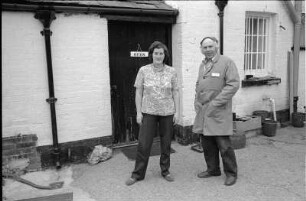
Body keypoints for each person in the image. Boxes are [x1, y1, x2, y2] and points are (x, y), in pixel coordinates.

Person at [125, 41, 179, 186]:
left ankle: (165, 170)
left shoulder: (172, 71)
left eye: (161, 53)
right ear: (151, 55)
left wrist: (177, 111)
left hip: (167, 111)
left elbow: (175, 91)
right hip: (148, 111)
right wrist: (138, 113)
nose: (158, 56)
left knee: (166, 143)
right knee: (144, 144)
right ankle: (137, 174)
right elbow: (138, 91)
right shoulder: (143, 70)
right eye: (156, 53)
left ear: (164, 55)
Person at [193, 36, 240, 186]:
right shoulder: (203, 65)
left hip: (218, 111)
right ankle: (213, 169)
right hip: (203, 111)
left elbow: (233, 84)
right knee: (207, 144)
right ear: (201, 49)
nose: (207, 50)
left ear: (216, 46)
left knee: (224, 145)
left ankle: (231, 173)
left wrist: (215, 103)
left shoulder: (227, 62)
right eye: (204, 47)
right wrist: (196, 101)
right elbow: (198, 84)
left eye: (210, 46)